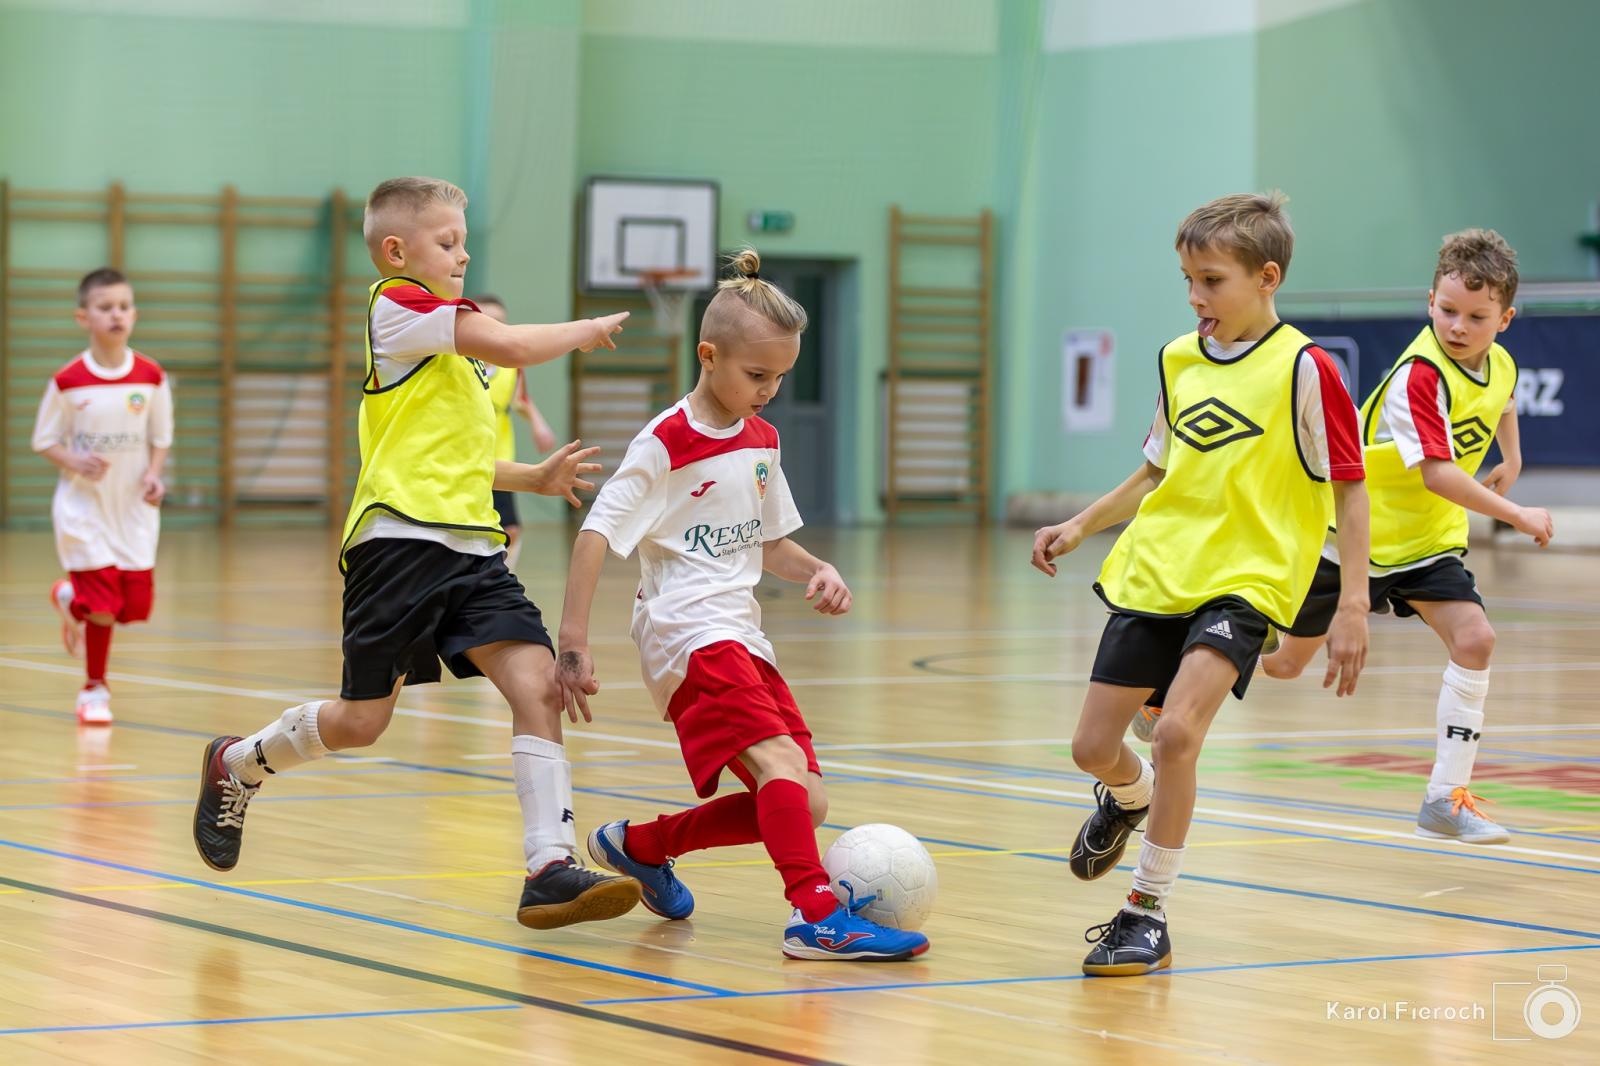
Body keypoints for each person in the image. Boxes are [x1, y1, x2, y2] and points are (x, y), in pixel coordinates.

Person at [191, 176, 642, 930]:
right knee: (364, 722)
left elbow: (450, 453)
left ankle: (549, 865)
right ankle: (237, 764)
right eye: (447, 242)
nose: (462, 255)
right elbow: (510, 342)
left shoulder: (447, 352)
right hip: (396, 544)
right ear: (397, 252)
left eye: (464, 242)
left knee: (537, 685)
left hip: (472, 549)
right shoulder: (396, 305)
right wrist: (585, 327)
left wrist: (530, 476)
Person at [555, 249, 929, 962]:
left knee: (803, 800)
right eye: (757, 376)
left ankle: (641, 847)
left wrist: (818, 568)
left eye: (780, 378)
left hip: (741, 634)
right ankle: (815, 915)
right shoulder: (666, 441)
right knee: (781, 765)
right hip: (686, 632)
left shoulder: (762, 439)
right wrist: (573, 638)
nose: (769, 392)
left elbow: (771, 544)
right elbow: (597, 531)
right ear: (708, 355)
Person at [1030, 192, 1370, 976]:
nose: (1194, 297)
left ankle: (1146, 912)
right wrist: (1081, 525)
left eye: (1211, 280)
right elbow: (1157, 467)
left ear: (1267, 277)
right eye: (1187, 279)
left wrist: (1352, 603)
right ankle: (1128, 796)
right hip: (1161, 568)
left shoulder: (1308, 370)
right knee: (1091, 747)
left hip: (1249, 579)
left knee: (1179, 731)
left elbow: (1352, 489)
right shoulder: (1178, 358)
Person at [1258, 229, 1553, 844]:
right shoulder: (1419, 377)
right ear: (1428, 302)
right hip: (1351, 537)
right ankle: (1201, 656)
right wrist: (1514, 512)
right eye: (1447, 311)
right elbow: (1439, 473)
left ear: (1506, 319)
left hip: (1425, 540)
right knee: (1285, 666)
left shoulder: (1498, 361)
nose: (1459, 327)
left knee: (1476, 640)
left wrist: (1514, 456)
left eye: (1477, 317)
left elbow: (1502, 401)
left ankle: (1445, 798)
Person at [33, 267, 173, 725]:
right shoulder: (68, 381)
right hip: (84, 508)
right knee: (103, 609)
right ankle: (94, 689)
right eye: (105, 307)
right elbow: (44, 440)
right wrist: (74, 462)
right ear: (83, 317)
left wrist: (154, 475)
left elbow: (161, 435)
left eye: (124, 306)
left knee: (132, 608)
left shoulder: (151, 376)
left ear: (134, 315)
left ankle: (67, 595)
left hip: (133, 508)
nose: (117, 315)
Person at [474, 294, 558, 572]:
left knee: (510, 528)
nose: (495, 326)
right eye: (487, 319)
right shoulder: (459, 361)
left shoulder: (511, 367)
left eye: (500, 321)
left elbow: (521, 400)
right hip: (467, 456)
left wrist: (538, 424)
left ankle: (500, 576)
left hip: (500, 457)